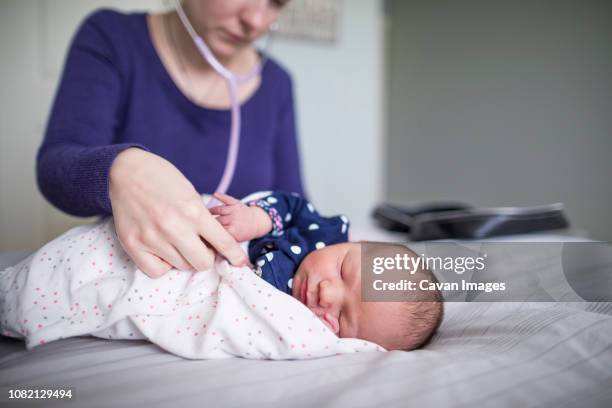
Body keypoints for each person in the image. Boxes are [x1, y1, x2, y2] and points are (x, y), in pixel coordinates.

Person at [36, 0, 302, 280]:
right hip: (131, 285)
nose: (256, 20)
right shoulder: (111, 37)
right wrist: (121, 170)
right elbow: (54, 168)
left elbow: (298, 211)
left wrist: (353, 287)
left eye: (277, 2)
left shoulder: (277, 84)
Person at [211, 191, 444, 350]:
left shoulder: (300, 329)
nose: (327, 294)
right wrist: (257, 220)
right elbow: (293, 205)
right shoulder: (323, 234)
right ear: (353, 243)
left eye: (342, 318)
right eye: (342, 271)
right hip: (222, 226)